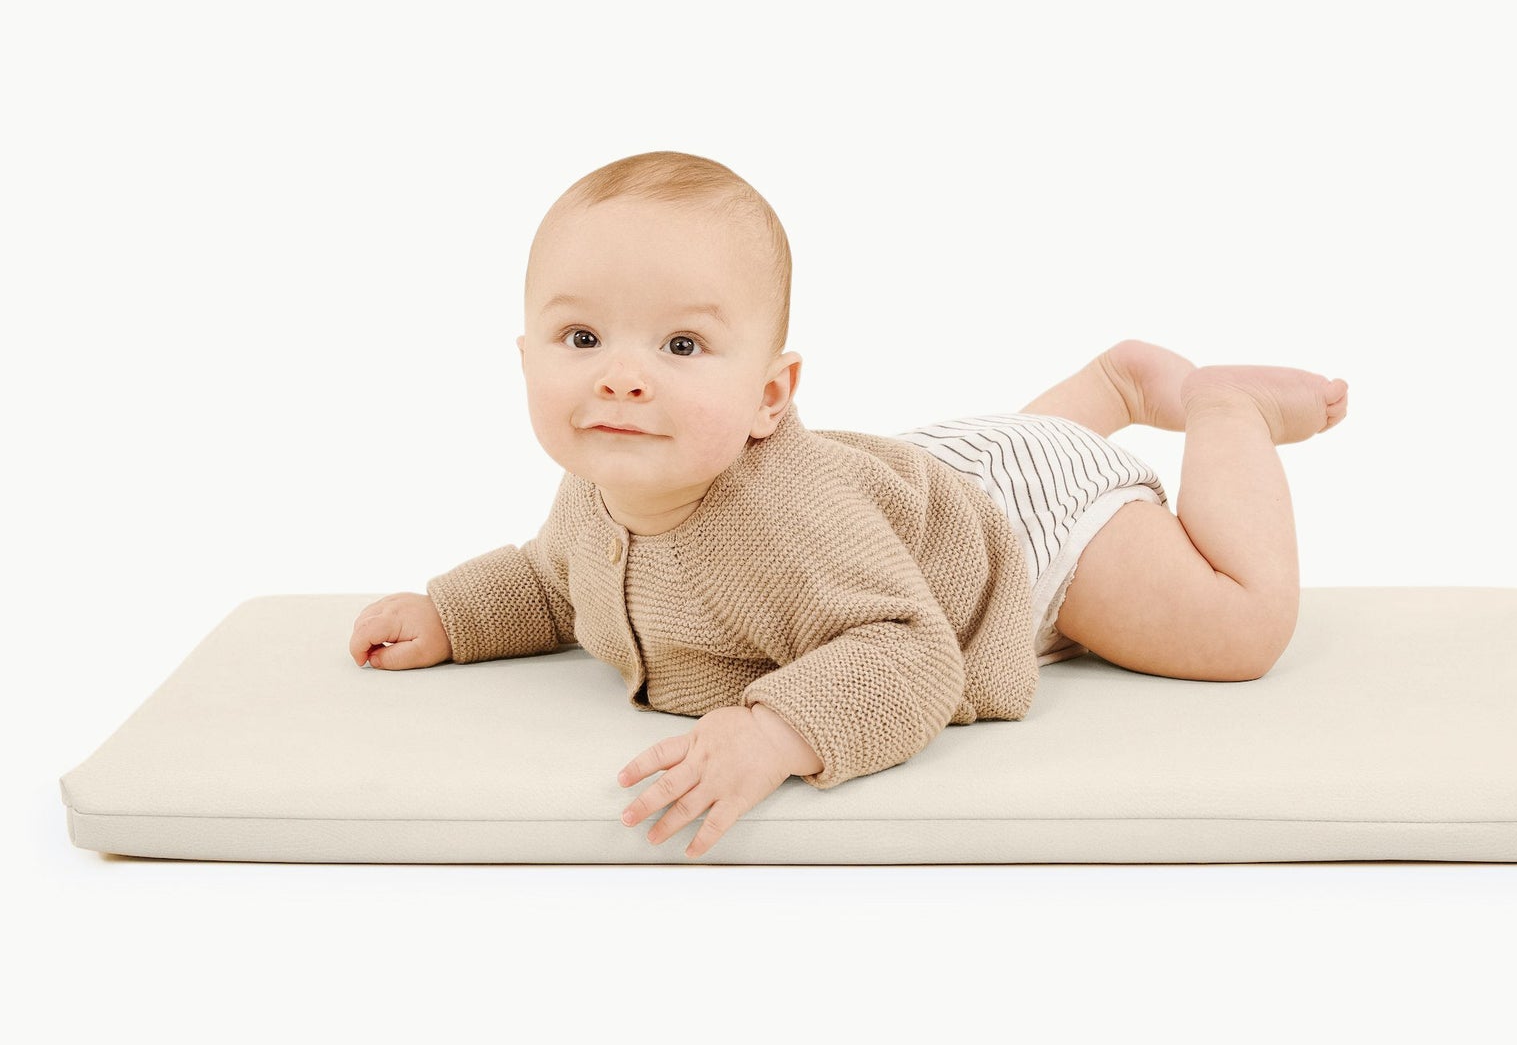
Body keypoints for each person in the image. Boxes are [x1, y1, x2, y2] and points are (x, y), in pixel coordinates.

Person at [348, 150, 1348, 856]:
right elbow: (551, 582)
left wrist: (776, 731)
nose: (620, 376)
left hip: (1027, 527)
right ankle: (1115, 386)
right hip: (934, 477)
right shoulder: (600, 487)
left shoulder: (788, 528)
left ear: (770, 397)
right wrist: (454, 616)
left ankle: (1226, 411)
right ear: (524, 357)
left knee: (1238, 628)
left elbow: (912, 653)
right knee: (965, 477)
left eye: (682, 345)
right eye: (581, 339)